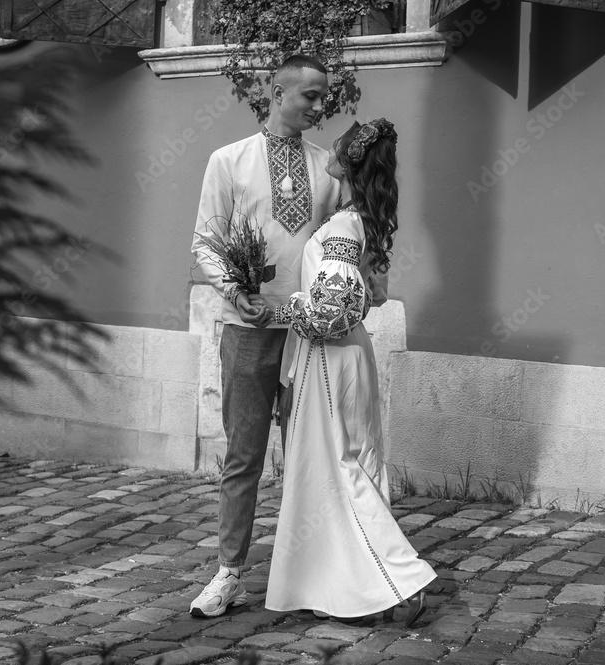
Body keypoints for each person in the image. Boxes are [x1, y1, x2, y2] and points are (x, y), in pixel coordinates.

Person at [264, 119, 436, 626]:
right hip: (346, 356)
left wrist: (277, 307)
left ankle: (399, 577)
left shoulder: (340, 227)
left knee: (339, 466)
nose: (330, 150)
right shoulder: (359, 220)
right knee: (341, 465)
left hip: (330, 355)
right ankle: (335, 581)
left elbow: (330, 313)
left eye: (337, 146)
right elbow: (373, 295)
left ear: (347, 162)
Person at [188, 54, 341, 618]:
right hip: (247, 331)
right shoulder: (228, 162)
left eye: (324, 96)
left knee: (312, 457)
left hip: (309, 336)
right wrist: (235, 290)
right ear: (276, 93)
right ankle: (229, 573)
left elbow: (341, 246)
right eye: (311, 96)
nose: (321, 106)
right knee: (244, 456)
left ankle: (316, 574)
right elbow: (206, 240)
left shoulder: (331, 169)